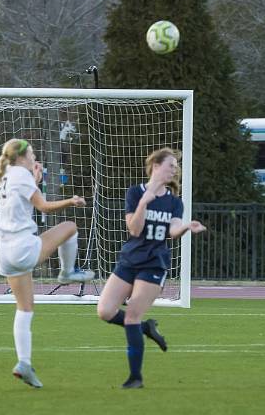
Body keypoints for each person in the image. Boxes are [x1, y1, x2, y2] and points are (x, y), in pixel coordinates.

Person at [0, 138, 94, 388]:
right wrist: (70, 201)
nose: (34, 156)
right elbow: (43, 206)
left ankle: (24, 363)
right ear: (22, 157)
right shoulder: (21, 174)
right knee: (70, 227)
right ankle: (67, 273)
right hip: (22, 247)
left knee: (25, 308)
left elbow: (25, 197)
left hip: (5, 252)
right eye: (31, 153)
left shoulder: (11, 174)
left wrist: (36, 180)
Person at [97, 147, 206, 389]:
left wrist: (187, 226)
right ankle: (147, 328)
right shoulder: (136, 193)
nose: (174, 169)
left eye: (176, 166)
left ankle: (135, 377)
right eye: (171, 165)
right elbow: (134, 230)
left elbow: (172, 230)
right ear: (156, 166)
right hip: (130, 259)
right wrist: (144, 203)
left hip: (154, 262)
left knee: (132, 315)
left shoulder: (174, 202)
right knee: (104, 311)